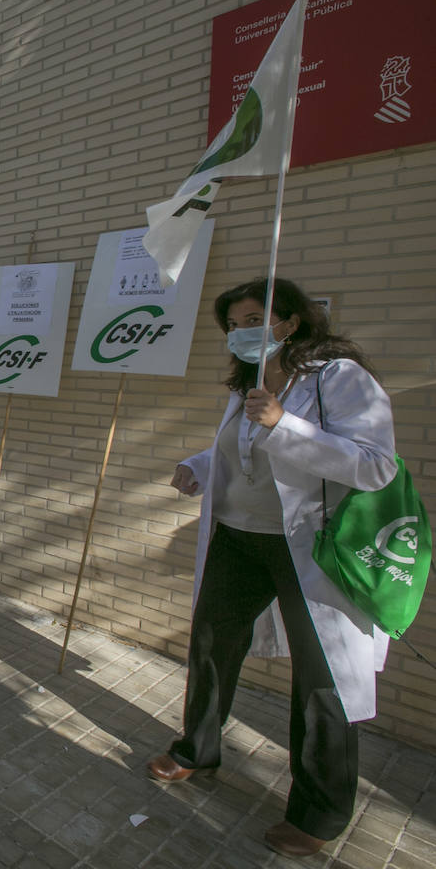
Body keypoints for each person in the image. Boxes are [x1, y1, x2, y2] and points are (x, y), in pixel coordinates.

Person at [148, 278, 397, 858]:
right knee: (211, 646)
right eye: (233, 324)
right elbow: (243, 452)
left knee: (321, 677)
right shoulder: (251, 384)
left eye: (254, 318)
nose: (242, 332)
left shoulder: (339, 377)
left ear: (290, 321)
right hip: (239, 540)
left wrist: (285, 423)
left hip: (308, 548)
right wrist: (198, 466)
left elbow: (374, 465)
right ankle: (196, 749)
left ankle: (320, 811)